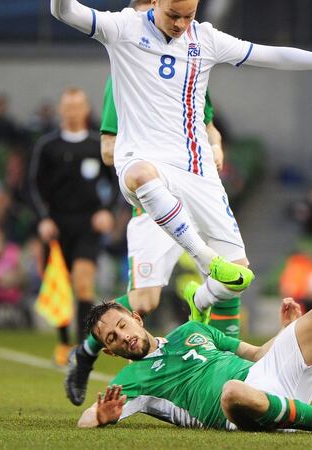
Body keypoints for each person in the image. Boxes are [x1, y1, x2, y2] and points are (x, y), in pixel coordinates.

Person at [49, 0, 312, 353]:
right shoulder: (123, 28)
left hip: (196, 171)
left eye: (188, 16)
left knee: (239, 276)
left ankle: (199, 299)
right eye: (173, 15)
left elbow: (268, 54)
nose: (180, 24)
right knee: (141, 176)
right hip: (142, 161)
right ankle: (204, 258)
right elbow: (64, 11)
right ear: (155, 2)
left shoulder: (205, 39)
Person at [76, 199, 312, 433]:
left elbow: (257, 355)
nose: (122, 336)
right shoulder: (131, 381)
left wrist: (286, 331)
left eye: (121, 325)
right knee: (233, 391)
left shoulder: (190, 331)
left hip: (270, 375)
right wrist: (102, 417)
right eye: (112, 339)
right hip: (240, 410)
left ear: (136, 318)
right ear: (110, 351)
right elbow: (85, 419)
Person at [65, 0, 239, 407]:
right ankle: (87, 351)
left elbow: (207, 122)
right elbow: (109, 149)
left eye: (183, 19)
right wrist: (155, 169)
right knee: (145, 301)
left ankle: (235, 367)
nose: (173, 29)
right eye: (165, 18)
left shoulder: (189, 62)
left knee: (232, 270)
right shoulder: (128, 69)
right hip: (157, 202)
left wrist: (213, 145)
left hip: (197, 192)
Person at [28, 87, 117, 365]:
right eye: (68, 107)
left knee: (83, 283)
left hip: (87, 223)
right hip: (56, 224)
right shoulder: (48, 146)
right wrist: (43, 218)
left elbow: (116, 181)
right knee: (60, 286)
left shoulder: (96, 144)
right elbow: (32, 186)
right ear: (60, 110)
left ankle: (81, 347)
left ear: (86, 109)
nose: (73, 112)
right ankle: (63, 342)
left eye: (77, 106)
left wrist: (106, 211)